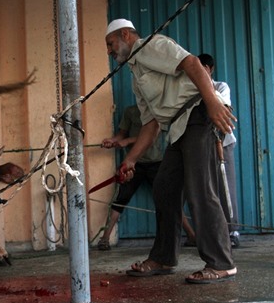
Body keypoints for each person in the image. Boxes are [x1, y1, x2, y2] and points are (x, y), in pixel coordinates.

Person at [104, 18, 237, 284]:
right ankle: (164, 258)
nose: (109, 51)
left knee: (201, 189)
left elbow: (192, 64)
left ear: (126, 35)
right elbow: (150, 125)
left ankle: (221, 262)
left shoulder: (150, 46)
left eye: (111, 43)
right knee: (164, 187)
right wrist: (130, 160)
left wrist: (212, 102)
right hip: (178, 128)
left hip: (198, 114)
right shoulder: (136, 76)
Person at [97, 105, 197, 251]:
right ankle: (105, 238)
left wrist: (129, 141)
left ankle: (192, 236)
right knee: (120, 200)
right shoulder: (130, 111)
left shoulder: (159, 109)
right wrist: (112, 141)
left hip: (156, 164)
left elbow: (153, 135)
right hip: (134, 164)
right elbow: (121, 135)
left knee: (170, 200)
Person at [198, 53, 241, 248]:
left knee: (226, 187)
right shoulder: (192, 88)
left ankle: (233, 232)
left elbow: (221, 105)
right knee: (207, 189)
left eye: (203, 68)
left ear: (210, 69)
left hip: (223, 144)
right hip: (202, 146)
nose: (200, 72)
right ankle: (213, 233)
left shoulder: (221, 86)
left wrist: (204, 87)